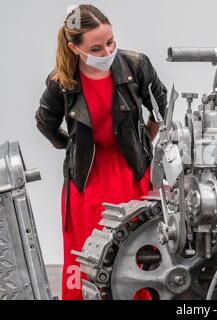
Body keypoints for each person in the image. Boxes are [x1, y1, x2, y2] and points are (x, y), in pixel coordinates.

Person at [35, 4, 167, 300]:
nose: (107, 52)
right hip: (87, 177)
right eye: (96, 48)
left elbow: (160, 106)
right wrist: (69, 148)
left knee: (139, 249)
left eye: (111, 42)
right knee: (86, 252)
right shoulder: (63, 81)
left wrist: (146, 138)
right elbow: (45, 122)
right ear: (74, 48)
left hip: (132, 171)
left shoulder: (136, 66)